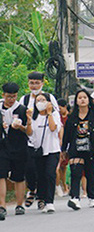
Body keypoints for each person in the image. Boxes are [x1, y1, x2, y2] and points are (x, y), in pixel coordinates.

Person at [18, 71, 58, 208]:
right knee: (29, 168)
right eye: (31, 83)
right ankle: (32, 189)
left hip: (46, 140)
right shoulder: (24, 99)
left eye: (37, 83)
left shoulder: (49, 98)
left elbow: (55, 117)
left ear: (42, 83)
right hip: (28, 139)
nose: (34, 86)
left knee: (43, 170)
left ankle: (42, 196)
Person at [61, 89, 94, 210]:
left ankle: (92, 197)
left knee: (90, 174)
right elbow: (67, 134)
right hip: (76, 149)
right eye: (80, 97)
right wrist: (64, 149)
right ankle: (75, 198)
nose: (82, 100)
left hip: (91, 149)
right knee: (76, 173)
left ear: (89, 100)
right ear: (76, 101)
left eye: (84, 97)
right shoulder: (72, 118)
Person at [0, 82, 32, 220]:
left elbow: (29, 132)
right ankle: (2, 205)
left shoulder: (22, 109)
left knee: (19, 176)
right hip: (2, 146)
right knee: (1, 175)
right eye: (8, 97)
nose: (11, 99)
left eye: (13, 97)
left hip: (19, 146)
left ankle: (19, 205)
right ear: (3, 95)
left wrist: (21, 127)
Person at [30, 93, 62, 213]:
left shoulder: (54, 115)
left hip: (52, 150)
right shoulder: (34, 117)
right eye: (38, 100)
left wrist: (49, 113)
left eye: (43, 100)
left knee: (50, 174)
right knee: (41, 176)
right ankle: (42, 198)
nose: (40, 102)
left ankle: (50, 202)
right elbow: (30, 134)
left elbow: (54, 128)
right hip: (39, 151)